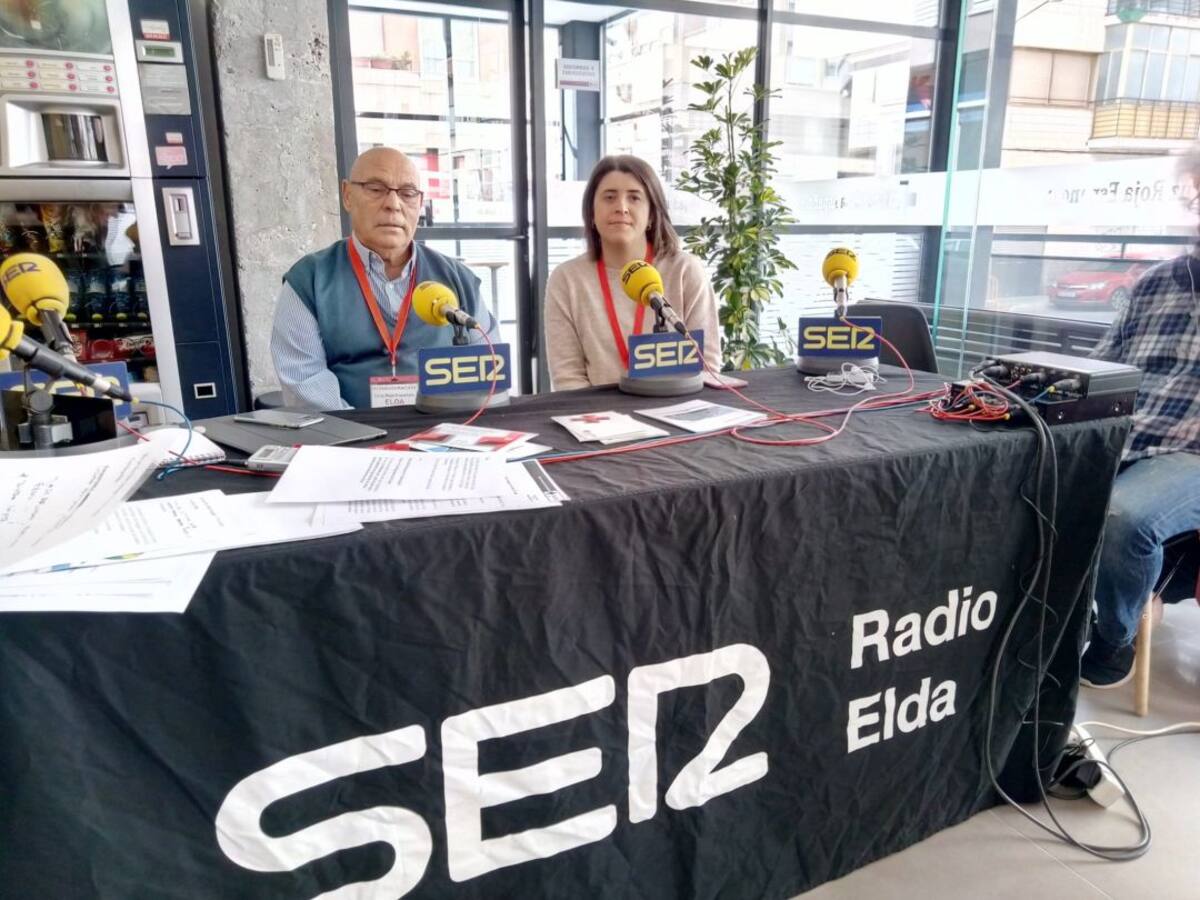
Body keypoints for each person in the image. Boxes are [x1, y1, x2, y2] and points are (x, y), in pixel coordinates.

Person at [1081, 152, 1200, 688]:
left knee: (1123, 518)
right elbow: (1102, 368)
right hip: (1125, 434)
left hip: (1190, 454)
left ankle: (1115, 637)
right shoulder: (1155, 283)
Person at [271, 147, 498, 409]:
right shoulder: (309, 280)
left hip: (442, 426)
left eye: (407, 193)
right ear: (347, 195)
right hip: (349, 430)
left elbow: (488, 375)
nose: (393, 204)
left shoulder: (459, 280)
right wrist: (365, 430)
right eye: (376, 189)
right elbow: (304, 380)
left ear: (420, 203)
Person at [544, 155, 721, 389]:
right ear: (591, 213)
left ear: (651, 214)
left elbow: (707, 367)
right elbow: (567, 378)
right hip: (597, 411)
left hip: (679, 405)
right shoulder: (566, 280)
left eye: (634, 197)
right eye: (609, 197)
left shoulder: (684, 270)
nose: (621, 207)